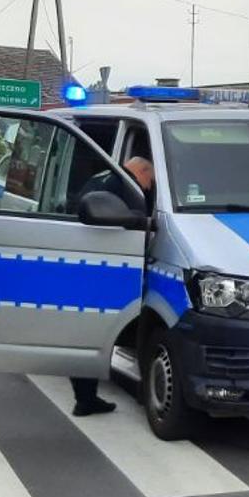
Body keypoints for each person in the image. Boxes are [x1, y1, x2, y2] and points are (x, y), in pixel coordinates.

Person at [68, 155, 156, 416]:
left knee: (85, 331)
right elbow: (131, 220)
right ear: (141, 171)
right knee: (89, 333)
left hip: (84, 261)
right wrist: (143, 220)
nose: (149, 187)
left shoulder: (103, 177)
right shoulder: (124, 186)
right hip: (99, 265)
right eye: (150, 180)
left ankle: (86, 396)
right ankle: (85, 399)